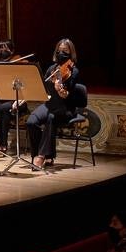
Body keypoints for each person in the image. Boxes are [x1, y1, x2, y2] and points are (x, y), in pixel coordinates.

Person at [27, 38, 81, 171]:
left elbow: (67, 95)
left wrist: (60, 90)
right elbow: (43, 88)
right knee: (31, 121)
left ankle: (41, 156)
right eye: (59, 50)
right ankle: (44, 154)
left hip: (66, 107)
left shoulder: (73, 71)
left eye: (65, 51)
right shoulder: (52, 69)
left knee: (51, 117)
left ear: (71, 53)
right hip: (50, 104)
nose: (61, 53)